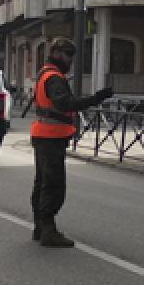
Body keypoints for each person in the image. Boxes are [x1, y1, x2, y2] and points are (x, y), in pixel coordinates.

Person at [30, 37, 113, 247]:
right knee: (53, 185)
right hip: (50, 137)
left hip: (43, 135)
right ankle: (48, 230)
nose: (70, 61)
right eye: (68, 56)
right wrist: (95, 99)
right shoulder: (54, 78)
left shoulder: (44, 73)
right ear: (58, 54)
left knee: (42, 183)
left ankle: (40, 227)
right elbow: (65, 103)